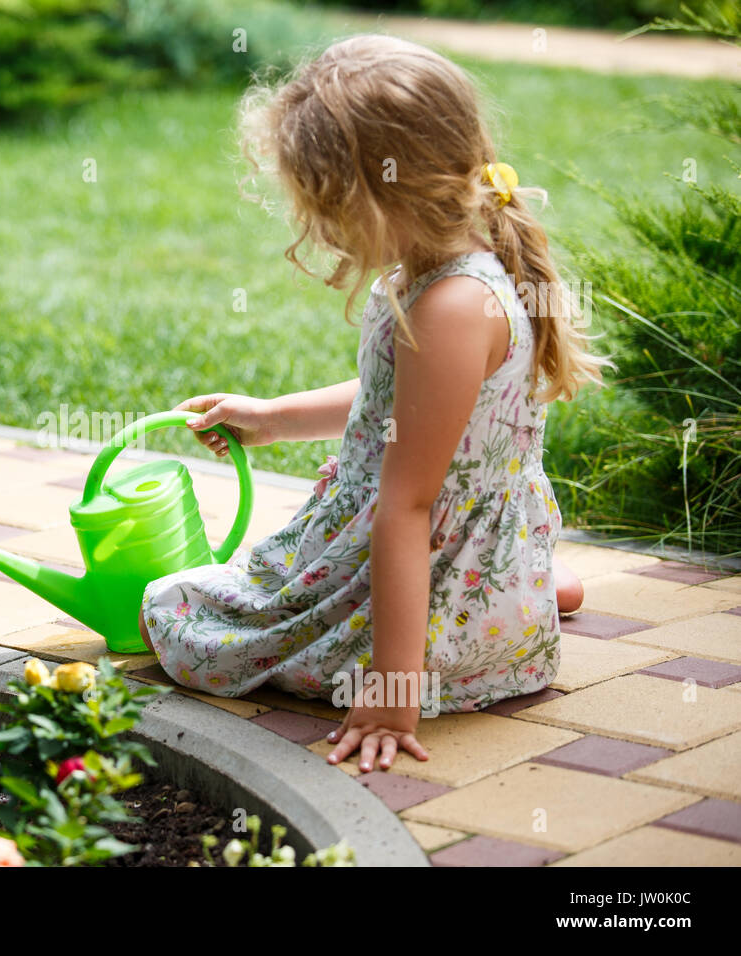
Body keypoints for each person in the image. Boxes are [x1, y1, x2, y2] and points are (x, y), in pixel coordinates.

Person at [138, 35, 607, 773]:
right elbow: (406, 407)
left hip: (414, 557)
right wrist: (272, 418)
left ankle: (482, 622)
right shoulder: (453, 263)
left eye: (326, 209)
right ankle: (516, 590)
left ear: (382, 196)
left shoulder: (451, 304)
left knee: (180, 616)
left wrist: (391, 691)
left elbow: (408, 509)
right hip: (463, 552)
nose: (319, 230)